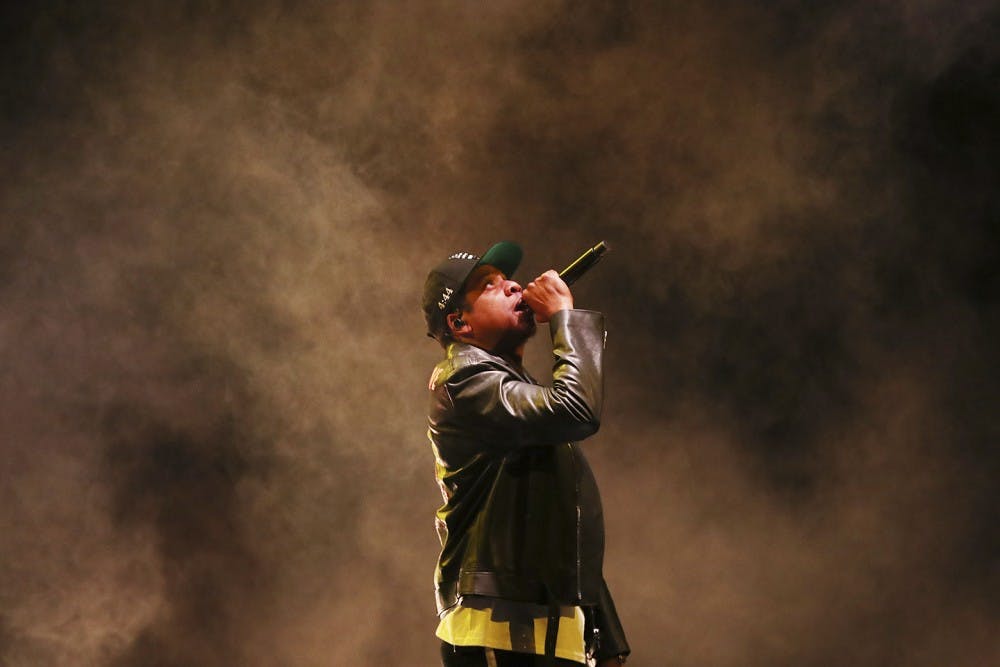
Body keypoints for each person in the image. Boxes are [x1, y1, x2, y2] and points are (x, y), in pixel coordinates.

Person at [422, 241, 630, 667]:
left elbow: (557, 521)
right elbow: (577, 409)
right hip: (502, 628)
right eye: (491, 286)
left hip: (544, 632)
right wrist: (563, 317)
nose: (514, 285)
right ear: (459, 322)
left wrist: (604, 636)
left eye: (508, 278)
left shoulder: (518, 396)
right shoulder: (463, 379)